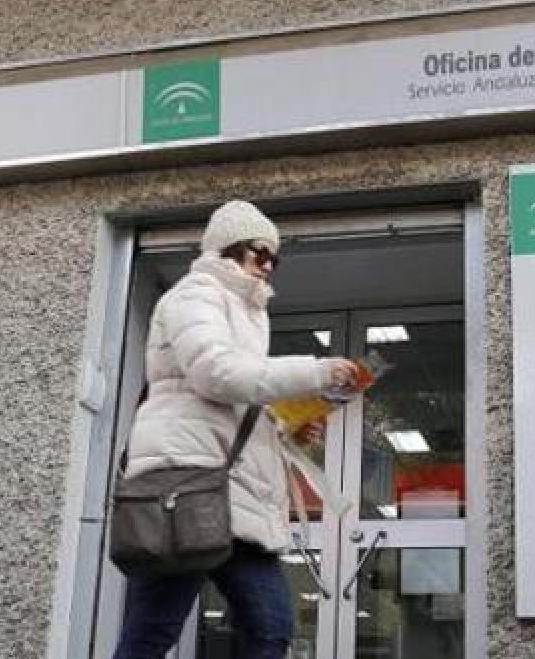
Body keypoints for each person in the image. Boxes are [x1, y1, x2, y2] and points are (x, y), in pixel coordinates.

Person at [112, 200, 357, 659]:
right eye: (258, 252)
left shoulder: (247, 312)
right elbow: (216, 373)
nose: (268, 265)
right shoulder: (194, 295)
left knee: (270, 629)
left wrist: (284, 428)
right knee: (154, 632)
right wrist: (316, 372)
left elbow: (228, 402)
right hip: (188, 484)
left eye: (275, 258)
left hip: (231, 492)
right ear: (226, 248)